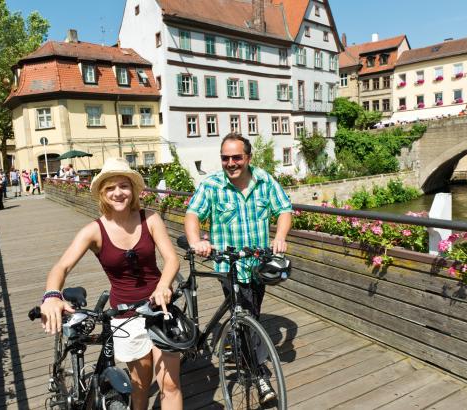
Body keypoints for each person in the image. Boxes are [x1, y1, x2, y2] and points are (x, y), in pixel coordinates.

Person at [39, 158, 182, 409]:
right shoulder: (93, 231)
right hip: (125, 315)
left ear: (133, 190)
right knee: (139, 388)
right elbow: (61, 267)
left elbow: (171, 259)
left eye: (124, 186)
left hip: (160, 308)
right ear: (102, 194)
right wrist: (51, 295)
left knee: (169, 385)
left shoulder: (150, 218)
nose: (118, 193)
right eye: (111, 188)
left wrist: (164, 284)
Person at [183, 133, 292, 404]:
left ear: (248, 158)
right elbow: (193, 214)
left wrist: (280, 236)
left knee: (251, 312)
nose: (230, 163)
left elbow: (284, 209)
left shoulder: (265, 180)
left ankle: (244, 347)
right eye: (225, 158)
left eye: (236, 157)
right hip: (227, 263)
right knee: (242, 314)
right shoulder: (212, 185)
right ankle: (258, 375)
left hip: (257, 262)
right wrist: (197, 241)